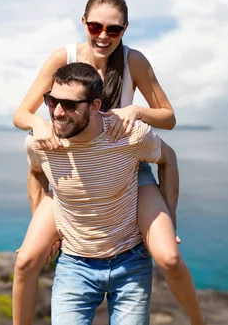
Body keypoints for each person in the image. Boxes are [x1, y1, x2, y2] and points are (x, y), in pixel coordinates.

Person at [11, 0, 205, 324]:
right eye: (95, 26)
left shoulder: (133, 61)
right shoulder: (64, 59)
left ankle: (198, 319)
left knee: (167, 255)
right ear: (83, 21)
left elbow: (169, 118)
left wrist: (137, 110)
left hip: (127, 164)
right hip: (72, 167)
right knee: (27, 259)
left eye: (113, 28)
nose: (103, 35)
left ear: (125, 29)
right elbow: (21, 113)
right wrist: (39, 123)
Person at [23, 61, 175, 323]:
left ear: (94, 106)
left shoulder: (130, 135)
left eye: (70, 104)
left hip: (130, 261)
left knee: (171, 259)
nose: (58, 112)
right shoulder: (40, 142)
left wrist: (169, 218)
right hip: (74, 264)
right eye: (51, 101)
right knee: (24, 261)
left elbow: (167, 156)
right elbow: (36, 172)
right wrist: (46, 228)